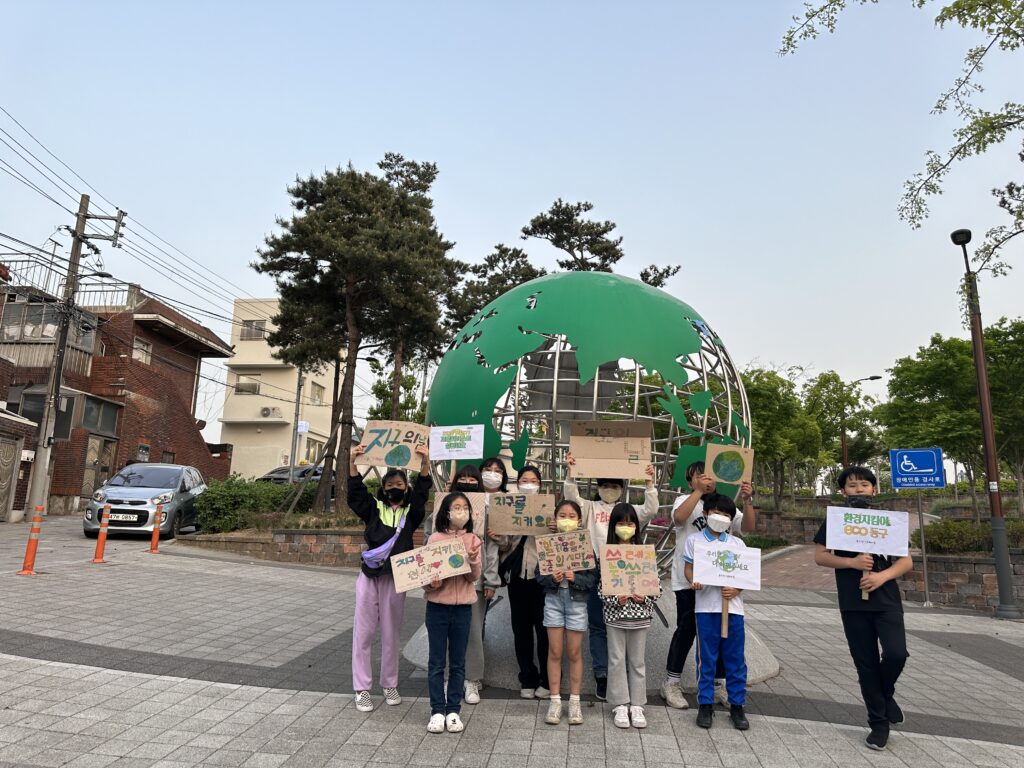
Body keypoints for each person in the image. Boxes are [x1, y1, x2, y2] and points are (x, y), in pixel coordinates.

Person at [813, 466, 912, 751]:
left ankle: (885, 694)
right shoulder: (836, 520)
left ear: (874, 489)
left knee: (896, 653)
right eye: (852, 485)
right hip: (853, 602)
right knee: (866, 664)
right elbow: (820, 556)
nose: (859, 489)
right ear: (843, 491)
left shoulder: (888, 521)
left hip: (887, 600)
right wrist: (852, 563)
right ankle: (878, 724)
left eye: (864, 485)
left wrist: (882, 576)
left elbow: (905, 561)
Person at [662, 460, 756, 710]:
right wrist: (698, 492)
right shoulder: (684, 500)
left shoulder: (724, 505)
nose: (706, 479)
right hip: (689, 580)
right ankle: (672, 682)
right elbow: (679, 519)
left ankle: (717, 684)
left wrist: (747, 500)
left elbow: (747, 528)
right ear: (690, 481)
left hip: (721, 582)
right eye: (698, 476)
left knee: (721, 632)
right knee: (687, 629)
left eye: (709, 475)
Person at [563, 454, 657, 700]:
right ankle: (602, 674)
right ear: (598, 488)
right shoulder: (590, 508)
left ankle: (624, 673)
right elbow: (572, 497)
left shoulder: (628, 512)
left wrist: (649, 483)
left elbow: (651, 509)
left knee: (622, 623)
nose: (609, 489)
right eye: (604, 485)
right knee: (598, 625)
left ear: (622, 489)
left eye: (614, 486)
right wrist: (571, 473)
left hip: (625, 568)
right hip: (595, 567)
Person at [349, 442, 431, 713]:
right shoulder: (374, 508)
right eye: (389, 485)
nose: (394, 488)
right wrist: (352, 463)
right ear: (383, 489)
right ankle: (362, 689)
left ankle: (389, 684)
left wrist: (425, 463)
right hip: (369, 576)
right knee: (363, 633)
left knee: (391, 634)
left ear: (406, 488)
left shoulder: (411, 513)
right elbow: (356, 494)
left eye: (399, 484)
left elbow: (422, 493)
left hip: (397, 578)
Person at [683, 494, 750, 731]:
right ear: (705, 514)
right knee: (706, 658)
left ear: (731, 519)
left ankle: (737, 704)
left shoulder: (737, 544)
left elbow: (745, 575)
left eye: (726, 515)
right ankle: (705, 703)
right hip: (705, 609)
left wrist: (737, 589)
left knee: (735, 658)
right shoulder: (694, 541)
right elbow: (689, 569)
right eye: (716, 513)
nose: (720, 518)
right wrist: (693, 581)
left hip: (733, 610)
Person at [424, 492, 483, 734]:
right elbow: (425, 576)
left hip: (463, 609)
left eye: (465, 507)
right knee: (437, 662)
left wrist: (472, 560)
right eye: (456, 507)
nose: (461, 512)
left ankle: (453, 711)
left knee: (458, 663)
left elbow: (474, 577)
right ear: (446, 512)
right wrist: (432, 584)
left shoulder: (473, 539)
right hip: (437, 607)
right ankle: (437, 711)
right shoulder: (434, 539)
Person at [600, 503, 661, 729]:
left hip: (640, 616)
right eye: (621, 523)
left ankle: (637, 704)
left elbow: (657, 587)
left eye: (630, 523)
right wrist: (616, 599)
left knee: (637, 661)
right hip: (615, 616)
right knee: (615, 659)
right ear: (613, 526)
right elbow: (601, 589)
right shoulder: (607, 553)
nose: (626, 527)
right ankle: (619, 703)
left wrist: (645, 598)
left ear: (636, 526)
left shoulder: (643, 554)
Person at [536, 500, 596, 726]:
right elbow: (539, 575)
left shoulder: (584, 545)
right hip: (553, 600)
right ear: (555, 518)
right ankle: (555, 701)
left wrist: (575, 578)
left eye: (572, 516)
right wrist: (552, 578)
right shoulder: (548, 544)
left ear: (579, 521)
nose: (567, 520)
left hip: (576, 603)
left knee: (574, 652)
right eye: (562, 515)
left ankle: (575, 701)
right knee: (554, 651)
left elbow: (593, 578)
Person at [494, 465, 550, 700]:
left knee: (545, 630)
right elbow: (505, 546)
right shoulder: (510, 508)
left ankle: (548, 679)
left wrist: (553, 528)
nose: (529, 484)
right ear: (518, 484)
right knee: (521, 630)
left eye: (534, 481)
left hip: (542, 578)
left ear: (540, 485)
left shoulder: (549, 509)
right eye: (525, 480)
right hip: (517, 577)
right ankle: (527, 677)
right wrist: (499, 538)